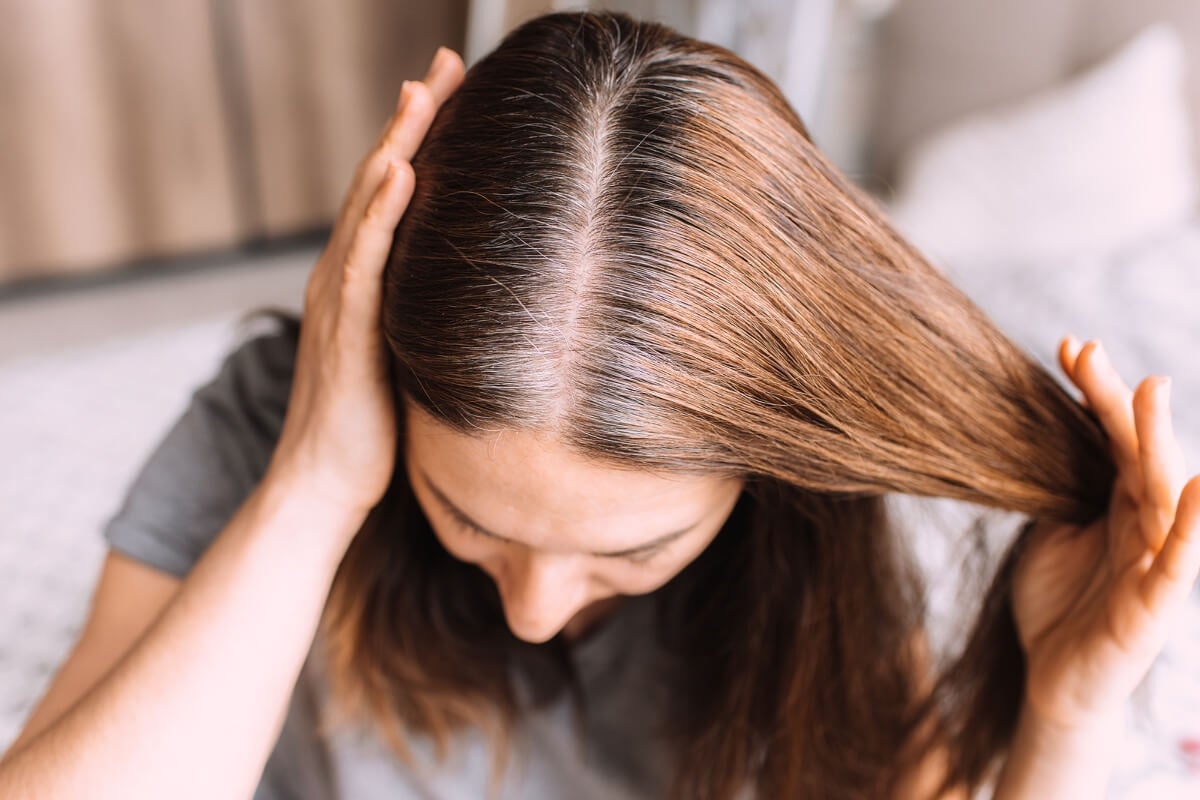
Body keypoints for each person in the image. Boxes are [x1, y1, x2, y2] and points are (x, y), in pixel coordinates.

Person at [2, 10, 1197, 800]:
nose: (533, 611)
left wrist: (1064, 720)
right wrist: (317, 482)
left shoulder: (824, 519)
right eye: (466, 518)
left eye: (635, 547)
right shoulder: (279, 422)